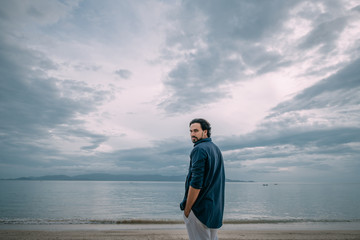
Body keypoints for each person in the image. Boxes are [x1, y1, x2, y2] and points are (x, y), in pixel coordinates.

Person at [180, 118, 225, 240]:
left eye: (196, 130)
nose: (192, 134)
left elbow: (196, 183)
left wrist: (187, 209)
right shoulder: (215, 149)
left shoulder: (199, 149)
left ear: (205, 132)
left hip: (199, 208)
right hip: (214, 209)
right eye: (190, 131)